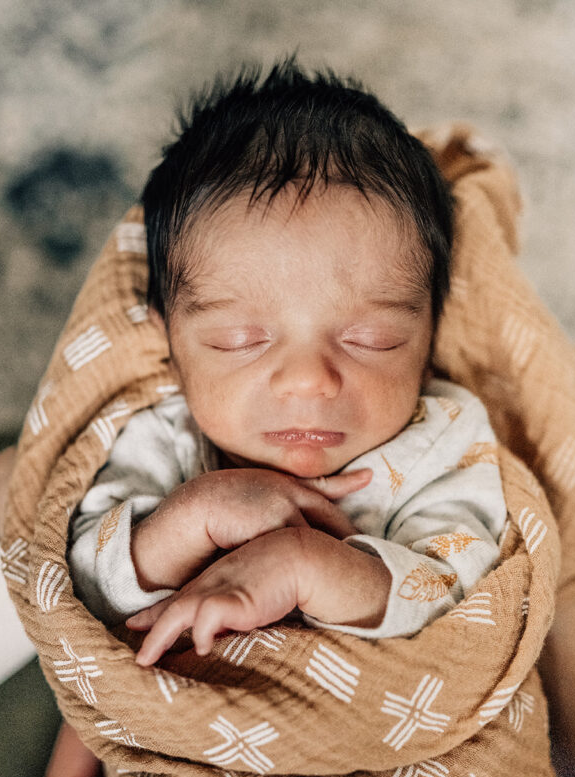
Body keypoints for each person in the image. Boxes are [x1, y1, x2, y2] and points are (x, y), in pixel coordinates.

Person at [68, 61, 508, 666]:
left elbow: (461, 597)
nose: (308, 379)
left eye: (372, 338)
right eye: (239, 339)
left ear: (431, 343)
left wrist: (305, 563)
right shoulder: (167, 435)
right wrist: (192, 515)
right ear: (168, 342)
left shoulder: (441, 440)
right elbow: (86, 582)